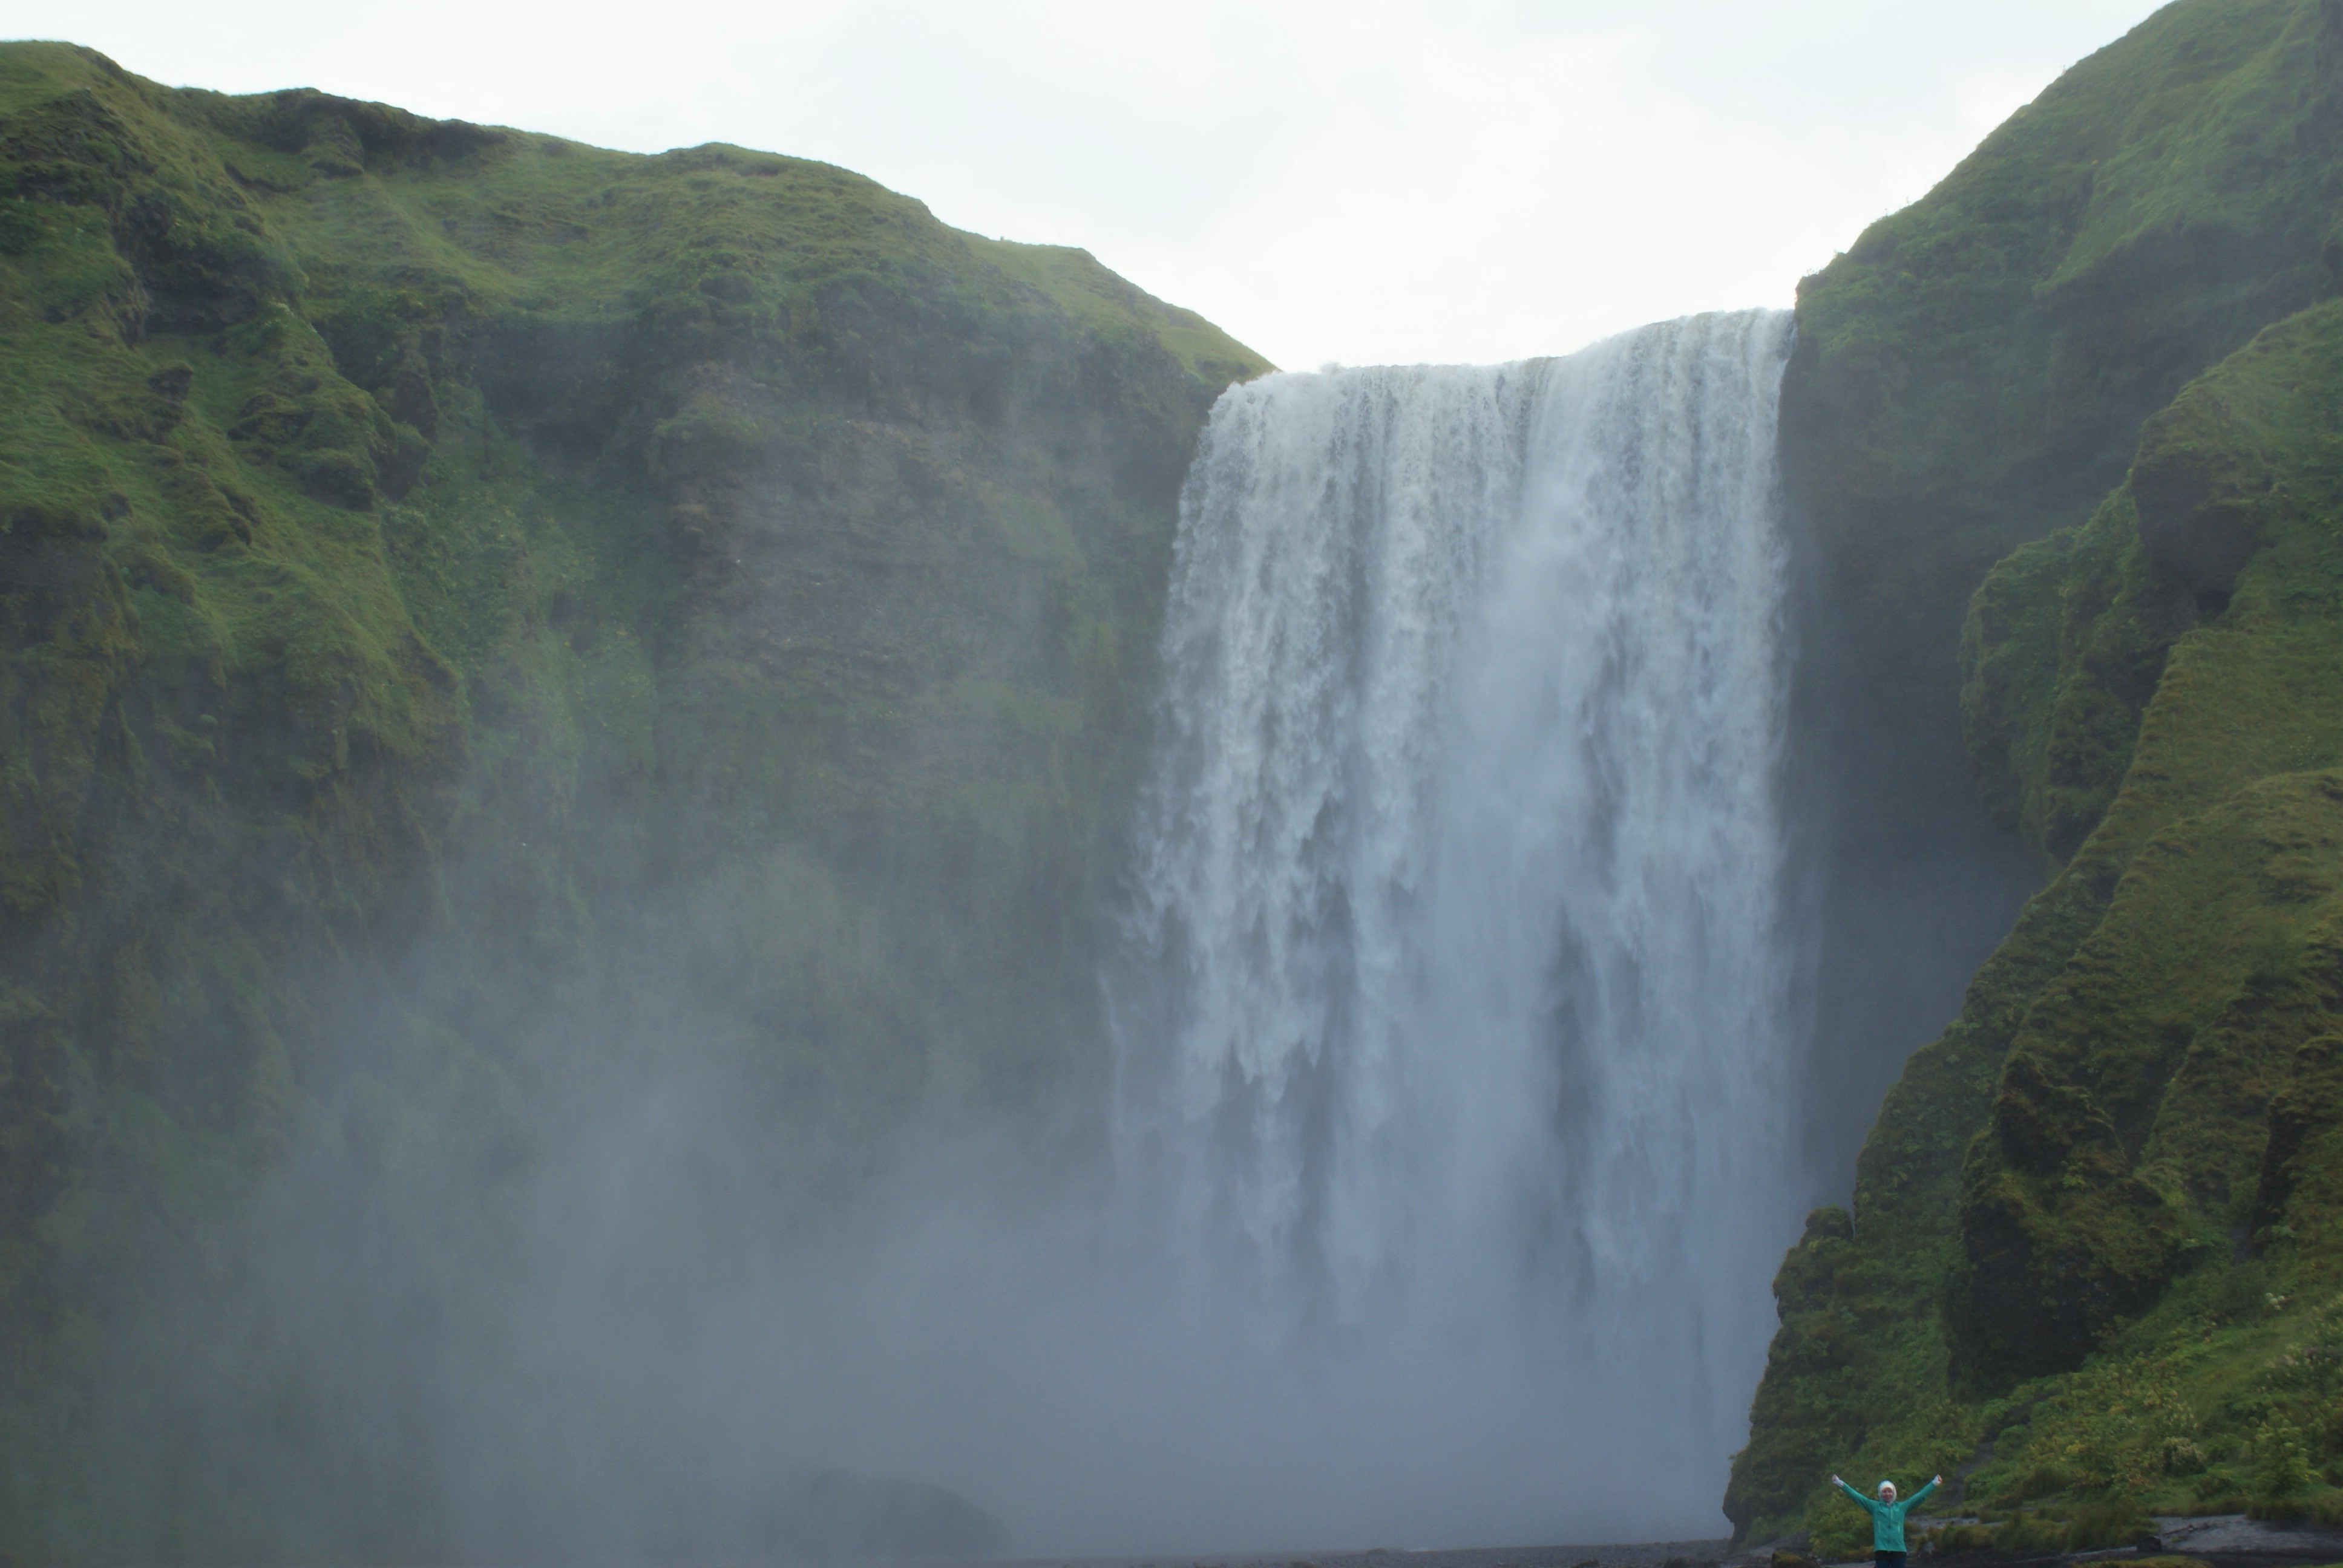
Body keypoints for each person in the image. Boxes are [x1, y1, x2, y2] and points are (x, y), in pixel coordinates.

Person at [1830, 1471, 1940, 1568]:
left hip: (1899, 1550)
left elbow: (1919, 1497)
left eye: (1889, 1491)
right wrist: (1840, 1483)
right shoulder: (1874, 1507)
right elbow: (1857, 1497)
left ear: (1894, 1493)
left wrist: (1934, 1483)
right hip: (1881, 1551)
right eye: (1884, 1492)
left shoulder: (1901, 1507)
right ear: (1880, 1494)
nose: (1887, 1494)